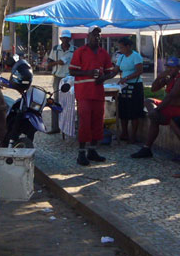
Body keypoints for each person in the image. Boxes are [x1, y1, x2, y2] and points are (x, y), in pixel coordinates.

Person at [69, 26, 117, 166]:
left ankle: (92, 150)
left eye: (98, 35)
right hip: (84, 93)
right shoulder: (80, 52)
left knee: (97, 122)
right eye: (94, 35)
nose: (97, 37)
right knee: (84, 123)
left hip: (98, 93)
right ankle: (81, 153)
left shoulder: (103, 53)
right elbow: (72, 71)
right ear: (88, 36)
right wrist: (88, 73)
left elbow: (109, 72)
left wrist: (104, 78)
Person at [130, 56, 180, 159]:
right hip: (171, 106)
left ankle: (147, 147)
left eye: (172, 68)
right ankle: (147, 146)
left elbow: (170, 97)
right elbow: (153, 89)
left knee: (155, 117)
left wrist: (156, 110)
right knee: (148, 101)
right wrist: (160, 77)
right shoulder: (170, 78)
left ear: (178, 68)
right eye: (168, 67)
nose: (170, 70)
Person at [114, 37, 144, 143]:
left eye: (122, 47)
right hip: (124, 86)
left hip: (135, 85)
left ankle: (133, 135)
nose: (120, 49)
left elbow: (139, 71)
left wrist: (126, 78)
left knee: (134, 111)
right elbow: (115, 70)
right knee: (123, 109)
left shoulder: (136, 56)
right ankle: (124, 133)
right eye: (119, 47)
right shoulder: (121, 57)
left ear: (128, 46)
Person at [46, 29, 76, 133]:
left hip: (69, 78)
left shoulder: (74, 50)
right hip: (58, 77)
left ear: (70, 39)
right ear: (61, 39)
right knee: (56, 102)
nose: (65, 40)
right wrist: (57, 63)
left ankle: (68, 126)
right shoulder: (55, 49)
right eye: (64, 38)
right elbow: (48, 64)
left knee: (69, 102)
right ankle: (55, 127)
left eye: (67, 38)